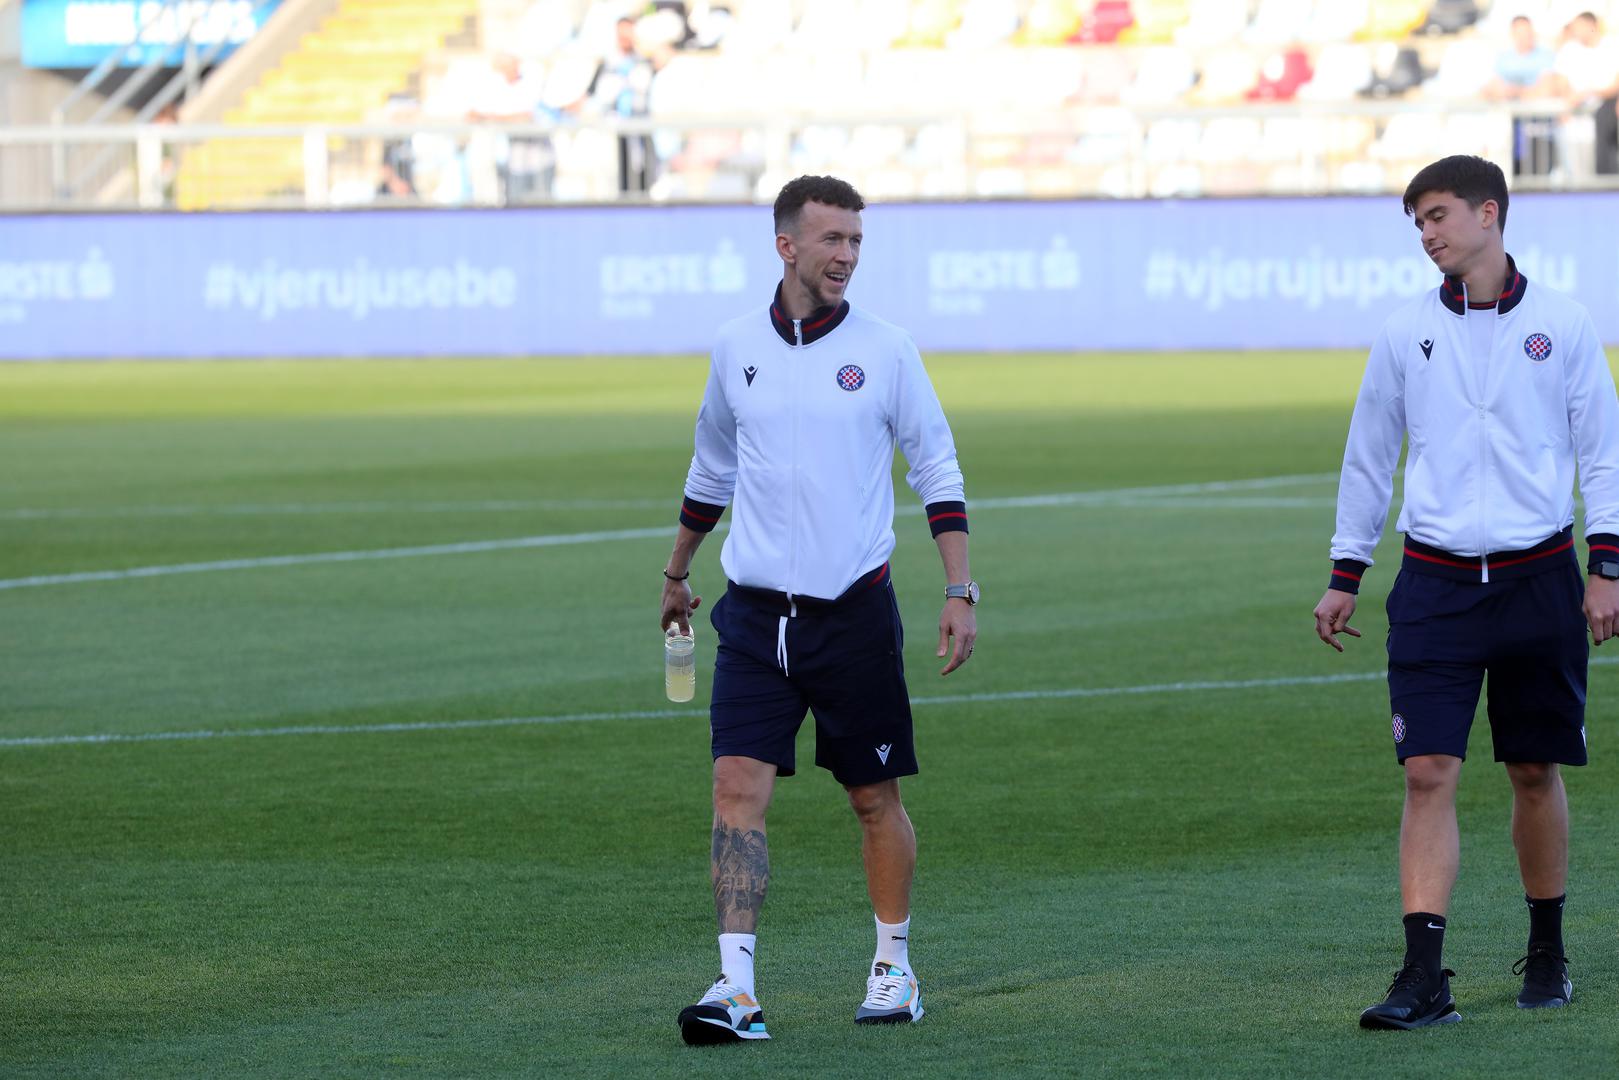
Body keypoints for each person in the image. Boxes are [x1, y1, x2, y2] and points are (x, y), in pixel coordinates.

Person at [660, 175, 978, 1044]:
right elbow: (710, 470)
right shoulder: (734, 347)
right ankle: (736, 991)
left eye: (855, 243)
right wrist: (678, 570)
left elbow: (937, 471)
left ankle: (892, 966)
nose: (845, 256)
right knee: (735, 789)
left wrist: (957, 589)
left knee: (872, 799)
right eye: (831, 240)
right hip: (755, 621)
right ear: (785, 245)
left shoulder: (886, 350)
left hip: (853, 619)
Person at [1313, 155, 1619, 1030]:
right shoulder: (1403, 330)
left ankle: (1548, 949)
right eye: (1416, 221)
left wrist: (1605, 567)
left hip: (1537, 581)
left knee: (1532, 769)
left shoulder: (1561, 324)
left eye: (1438, 215)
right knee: (1427, 772)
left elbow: (1599, 452)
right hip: (1435, 585)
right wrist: (1346, 573)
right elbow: (1370, 457)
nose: (1427, 233)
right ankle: (1422, 978)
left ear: (1489, 213)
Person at [1484, 15, 1559, 176]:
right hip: (1510, 124)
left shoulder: (1545, 56)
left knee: (1537, 171)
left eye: (1528, 33)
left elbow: (1547, 89)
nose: (1525, 38)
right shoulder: (1504, 58)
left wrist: (1516, 91)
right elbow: (1491, 89)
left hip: (1537, 124)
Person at [1547, 11, 1619, 174]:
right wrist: (1568, 103)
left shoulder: (1611, 47)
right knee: (1576, 171)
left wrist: (1588, 93)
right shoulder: (1569, 50)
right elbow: (1560, 81)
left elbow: (1615, 84)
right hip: (1573, 120)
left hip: (1604, 118)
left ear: (1591, 25)